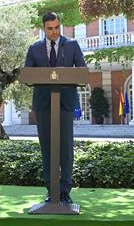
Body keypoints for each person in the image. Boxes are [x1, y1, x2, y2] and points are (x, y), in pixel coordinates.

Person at [24, 12, 86, 204]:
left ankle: (65, 191)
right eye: (50, 28)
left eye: (57, 27)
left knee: (66, 148)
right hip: (43, 105)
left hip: (65, 104)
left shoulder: (72, 45)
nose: (54, 31)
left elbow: (82, 72)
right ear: (44, 28)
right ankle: (51, 191)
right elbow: (27, 77)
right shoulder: (34, 49)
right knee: (47, 148)